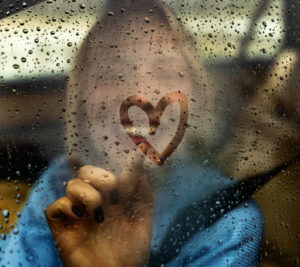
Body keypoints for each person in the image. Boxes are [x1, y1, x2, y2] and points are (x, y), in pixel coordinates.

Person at [0, 0, 264, 266]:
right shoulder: (61, 183)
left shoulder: (228, 216)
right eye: (112, 73)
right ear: (81, 102)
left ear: (198, 100)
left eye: (167, 71)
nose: (139, 94)